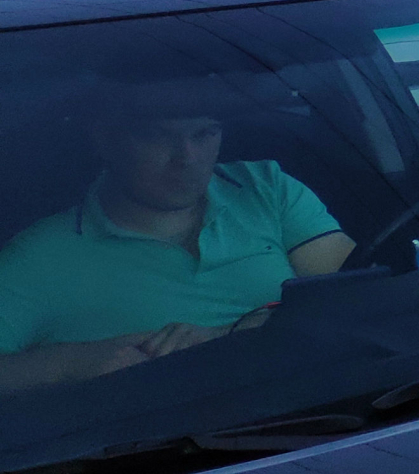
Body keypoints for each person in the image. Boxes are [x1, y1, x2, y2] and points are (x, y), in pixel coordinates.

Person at [0, 85, 353, 393]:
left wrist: (225, 339)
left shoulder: (266, 189)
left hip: (336, 406)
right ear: (106, 140)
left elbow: (357, 300)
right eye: (158, 136)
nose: (187, 158)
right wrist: (70, 364)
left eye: (204, 134)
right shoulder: (43, 255)